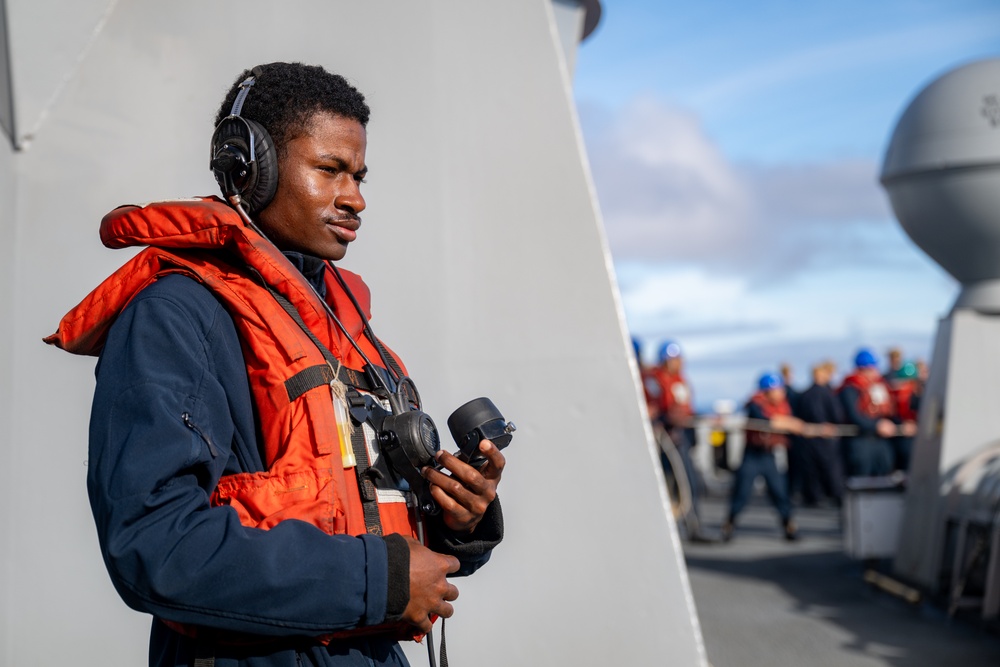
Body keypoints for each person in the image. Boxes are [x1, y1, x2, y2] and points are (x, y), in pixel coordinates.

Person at [45, 62, 505, 667]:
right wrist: (380, 582)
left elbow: (363, 513)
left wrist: (456, 523)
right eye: (330, 170)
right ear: (249, 169)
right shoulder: (174, 317)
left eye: (360, 176)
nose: (356, 199)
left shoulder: (340, 324)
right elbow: (153, 545)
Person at [721, 372, 802, 541]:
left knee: (779, 491)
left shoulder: (783, 405)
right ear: (767, 391)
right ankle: (730, 523)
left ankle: (789, 525)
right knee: (742, 492)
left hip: (769, 455)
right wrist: (792, 424)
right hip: (752, 455)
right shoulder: (755, 405)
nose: (781, 393)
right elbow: (766, 420)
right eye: (777, 389)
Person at [649, 340, 705, 539]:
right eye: (675, 359)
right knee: (663, 484)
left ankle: (693, 526)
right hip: (664, 440)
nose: (680, 362)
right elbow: (654, 409)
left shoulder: (680, 381)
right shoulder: (654, 381)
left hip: (681, 438)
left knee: (687, 482)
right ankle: (662, 530)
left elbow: (686, 408)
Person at [839, 348, 907, 477]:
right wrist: (876, 425)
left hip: (880, 442)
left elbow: (889, 411)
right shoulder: (850, 388)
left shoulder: (879, 386)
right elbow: (854, 415)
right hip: (861, 440)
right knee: (862, 475)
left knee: (885, 471)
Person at [794, 361, 846, 506]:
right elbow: (837, 414)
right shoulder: (828, 394)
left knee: (811, 471)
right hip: (826, 438)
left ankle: (813, 498)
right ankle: (836, 496)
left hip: (808, 438)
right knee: (831, 469)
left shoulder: (804, 394)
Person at [887, 360, 921, 472]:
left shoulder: (920, 397)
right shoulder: (894, 397)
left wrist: (916, 425)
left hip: (916, 439)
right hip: (900, 439)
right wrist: (901, 425)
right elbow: (891, 415)